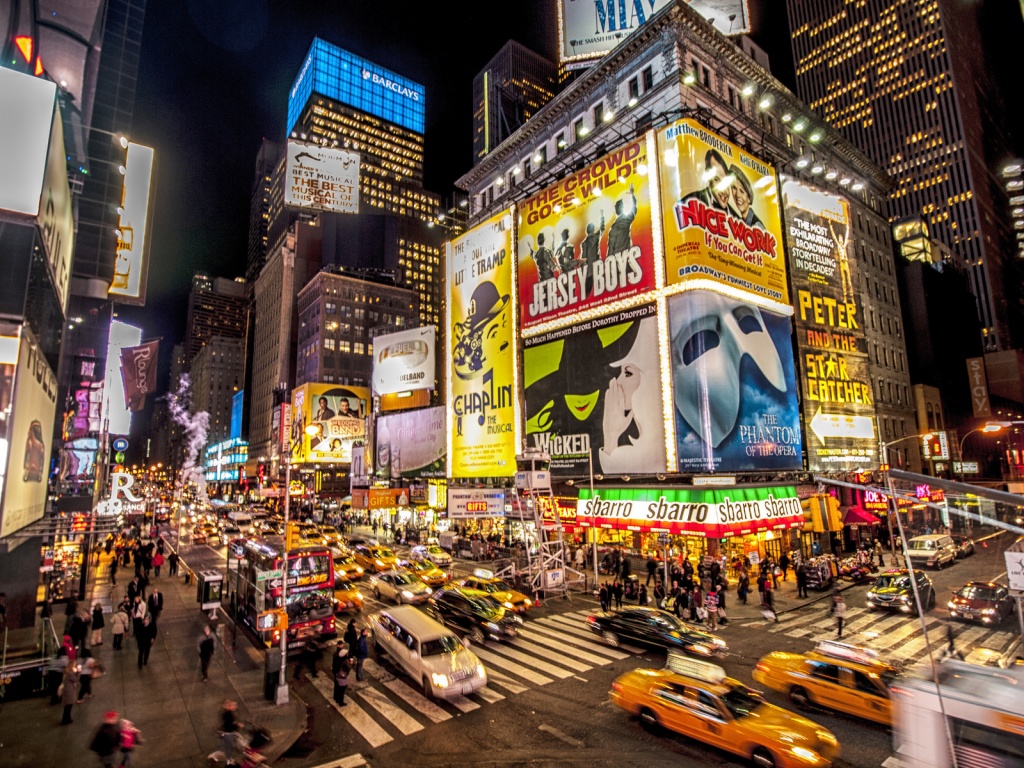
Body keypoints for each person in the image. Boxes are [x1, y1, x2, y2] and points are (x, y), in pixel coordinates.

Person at [219, 700, 240, 766]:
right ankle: (229, 760)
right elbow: (229, 724)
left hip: (227, 733)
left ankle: (229, 759)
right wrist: (236, 724)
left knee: (229, 746)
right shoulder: (228, 714)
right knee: (229, 746)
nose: (235, 706)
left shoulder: (228, 713)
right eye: (233, 705)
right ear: (228, 706)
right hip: (228, 733)